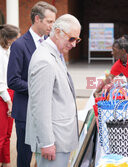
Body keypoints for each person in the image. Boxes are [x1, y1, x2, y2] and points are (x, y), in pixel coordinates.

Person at [25, 14, 81, 167]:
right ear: (57, 32)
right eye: (71, 39)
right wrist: (46, 142)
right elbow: (40, 106)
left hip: (59, 137)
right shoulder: (45, 59)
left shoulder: (54, 54)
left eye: (77, 40)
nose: (74, 44)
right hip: (53, 140)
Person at [7, 2, 57, 166]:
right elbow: (13, 80)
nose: (52, 25)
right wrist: (39, 91)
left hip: (48, 112)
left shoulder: (51, 44)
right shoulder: (19, 45)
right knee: (24, 158)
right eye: (49, 21)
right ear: (37, 19)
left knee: (46, 155)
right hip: (25, 111)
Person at [0, 24, 20, 167]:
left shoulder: (7, 52)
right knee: (1, 135)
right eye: (16, 39)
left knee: (7, 134)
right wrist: (9, 102)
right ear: (8, 39)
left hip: (9, 95)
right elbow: (0, 82)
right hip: (3, 97)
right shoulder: (0, 55)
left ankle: (6, 162)